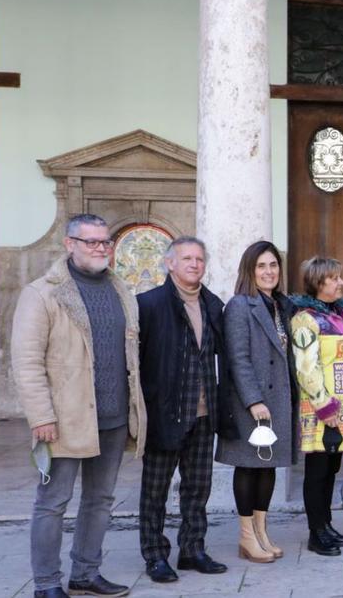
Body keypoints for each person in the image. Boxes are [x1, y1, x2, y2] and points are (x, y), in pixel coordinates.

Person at [11, 214, 147, 598]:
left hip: (114, 417)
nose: (101, 248)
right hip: (64, 420)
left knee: (101, 500)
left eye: (106, 242)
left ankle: (86, 574)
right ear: (69, 244)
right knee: (53, 502)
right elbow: (26, 362)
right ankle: (47, 583)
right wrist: (41, 417)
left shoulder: (121, 289)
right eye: (92, 242)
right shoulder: (42, 293)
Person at [137, 237, 228, 583]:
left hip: (204, 414)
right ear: (169, 263)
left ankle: (192, 549)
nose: (194, 264)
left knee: (197, 487)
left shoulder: (213, 305)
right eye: (186, 258)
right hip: (165, 412)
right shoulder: (149, 305)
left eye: (199, 259)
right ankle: (155, 555)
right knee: (155, 490)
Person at [215, 240, 298, 565]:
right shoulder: (239, 305)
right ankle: (246, 536)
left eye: (273, 265)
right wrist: (253, 401)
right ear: (250, 270)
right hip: (253, 403)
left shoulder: (280, 305)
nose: (268, 272)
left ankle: (262, 531)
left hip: (279, 399)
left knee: (268, 467)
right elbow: (237, 359)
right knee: (249, 466)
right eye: (261, 266)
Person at [291, 257, 343, 556]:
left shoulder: (338, 315)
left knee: (332, 468)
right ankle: (315, 532)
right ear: (318, 282)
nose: (341, 283)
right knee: (318, 470)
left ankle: (326, 524)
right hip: (322, 408)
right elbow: (306, 369)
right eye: (334, 278)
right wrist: (325, 406)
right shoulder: (305, 320)